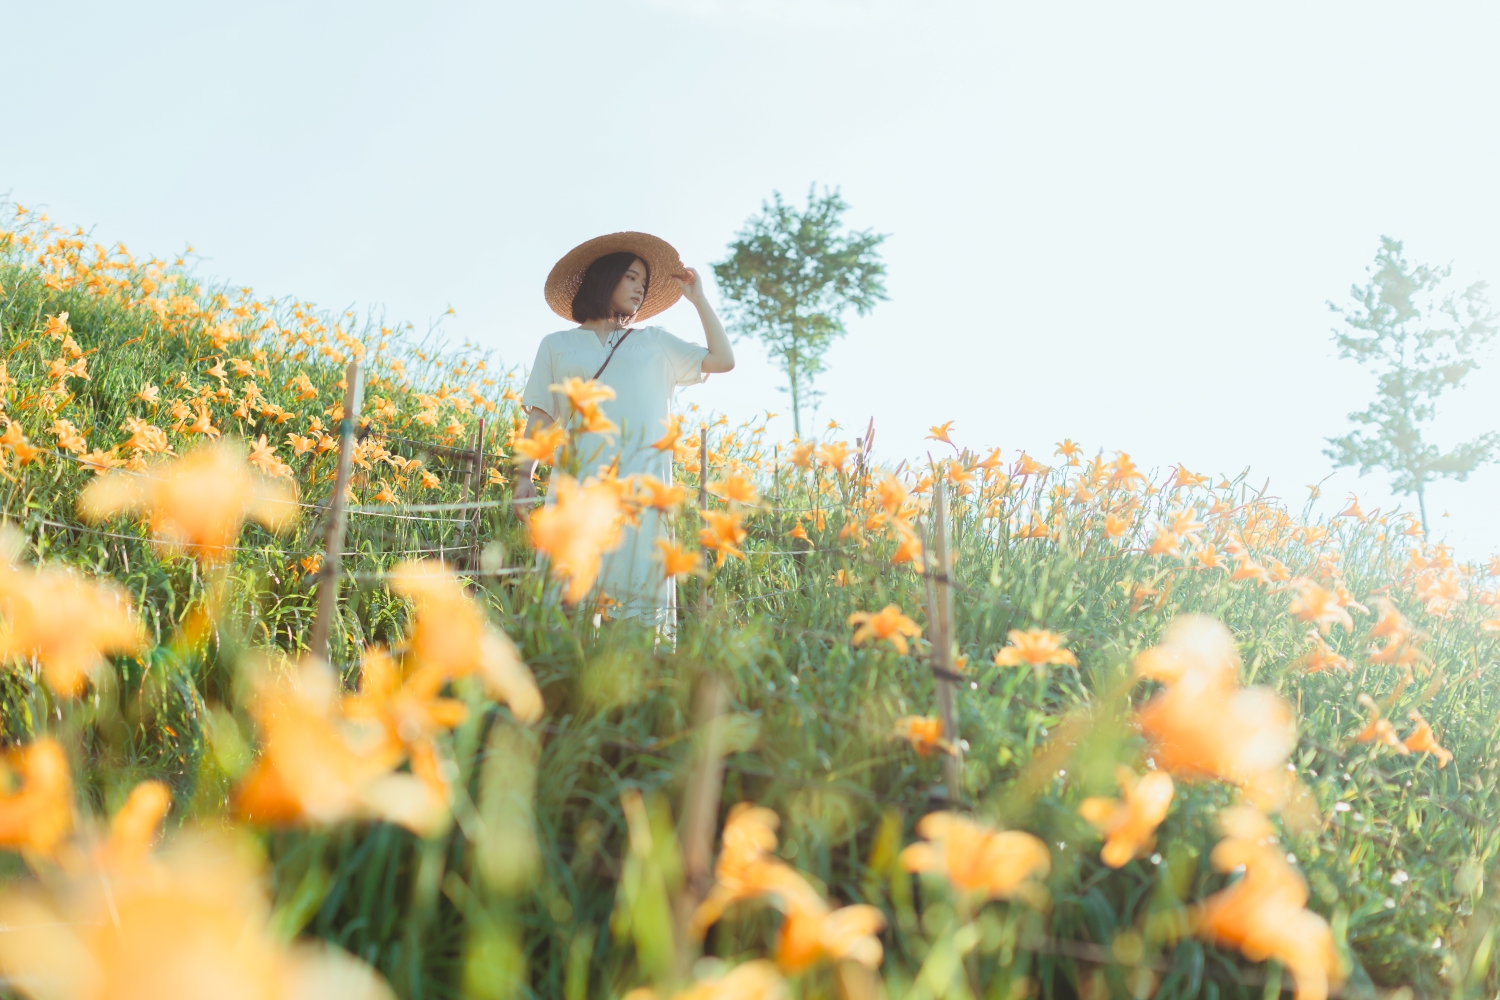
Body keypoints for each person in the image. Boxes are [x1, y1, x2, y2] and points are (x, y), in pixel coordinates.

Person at [515, 232, 734, 626]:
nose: (639, 288)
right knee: (570, 602)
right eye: (631, 277)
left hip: (643, 493)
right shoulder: (557, 345)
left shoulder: (655, 343)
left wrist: (698, 299)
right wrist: (524, 477)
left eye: (644, 283)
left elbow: (723, 359)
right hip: (579, 486)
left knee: (638, 607)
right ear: (606, 277)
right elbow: (542, 417)